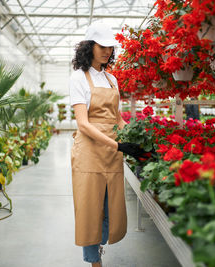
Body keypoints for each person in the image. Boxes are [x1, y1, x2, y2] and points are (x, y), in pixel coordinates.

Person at [69, 22, 149, 267]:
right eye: (101, 46)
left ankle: (99, 248)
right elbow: (83, 123)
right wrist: (117, 146)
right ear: (89, 47)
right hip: (89, 152)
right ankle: (94, 261)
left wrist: (137, 141)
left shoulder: (112, 79)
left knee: (109, 204)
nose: (107, 51)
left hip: (112, 150)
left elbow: (118, 119)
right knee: (90, 206)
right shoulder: (78, 78)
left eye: (110, 47)